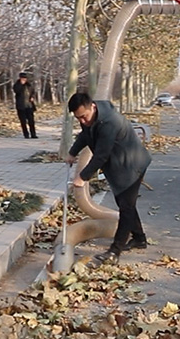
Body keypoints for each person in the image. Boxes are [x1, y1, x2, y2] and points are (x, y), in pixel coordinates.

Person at [65, 92, 152, 265]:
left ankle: (115, 251)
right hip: (118, 165)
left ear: (92, 107)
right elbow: (85, 135)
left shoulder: (110, 122)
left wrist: (83, 177)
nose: (82, 121)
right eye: (78, 118)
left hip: (132, 165)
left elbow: (101, 155)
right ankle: (140, 239)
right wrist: (72, 152)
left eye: (84, 117)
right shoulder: (90, 118)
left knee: (126, 207)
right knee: (125, 204)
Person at [12, 72, 37, 138]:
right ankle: (26, 134)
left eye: (25, 78)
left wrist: (32, 97)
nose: (24, 80)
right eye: (22, 78)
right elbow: (16, 91)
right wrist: (21, 84)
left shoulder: (29, 85)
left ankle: (33, 134)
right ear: (20, 78)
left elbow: (33, 92)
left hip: (29, 106)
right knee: (23, 121)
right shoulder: (17, 85)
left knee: (31, 121)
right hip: (21, 106)